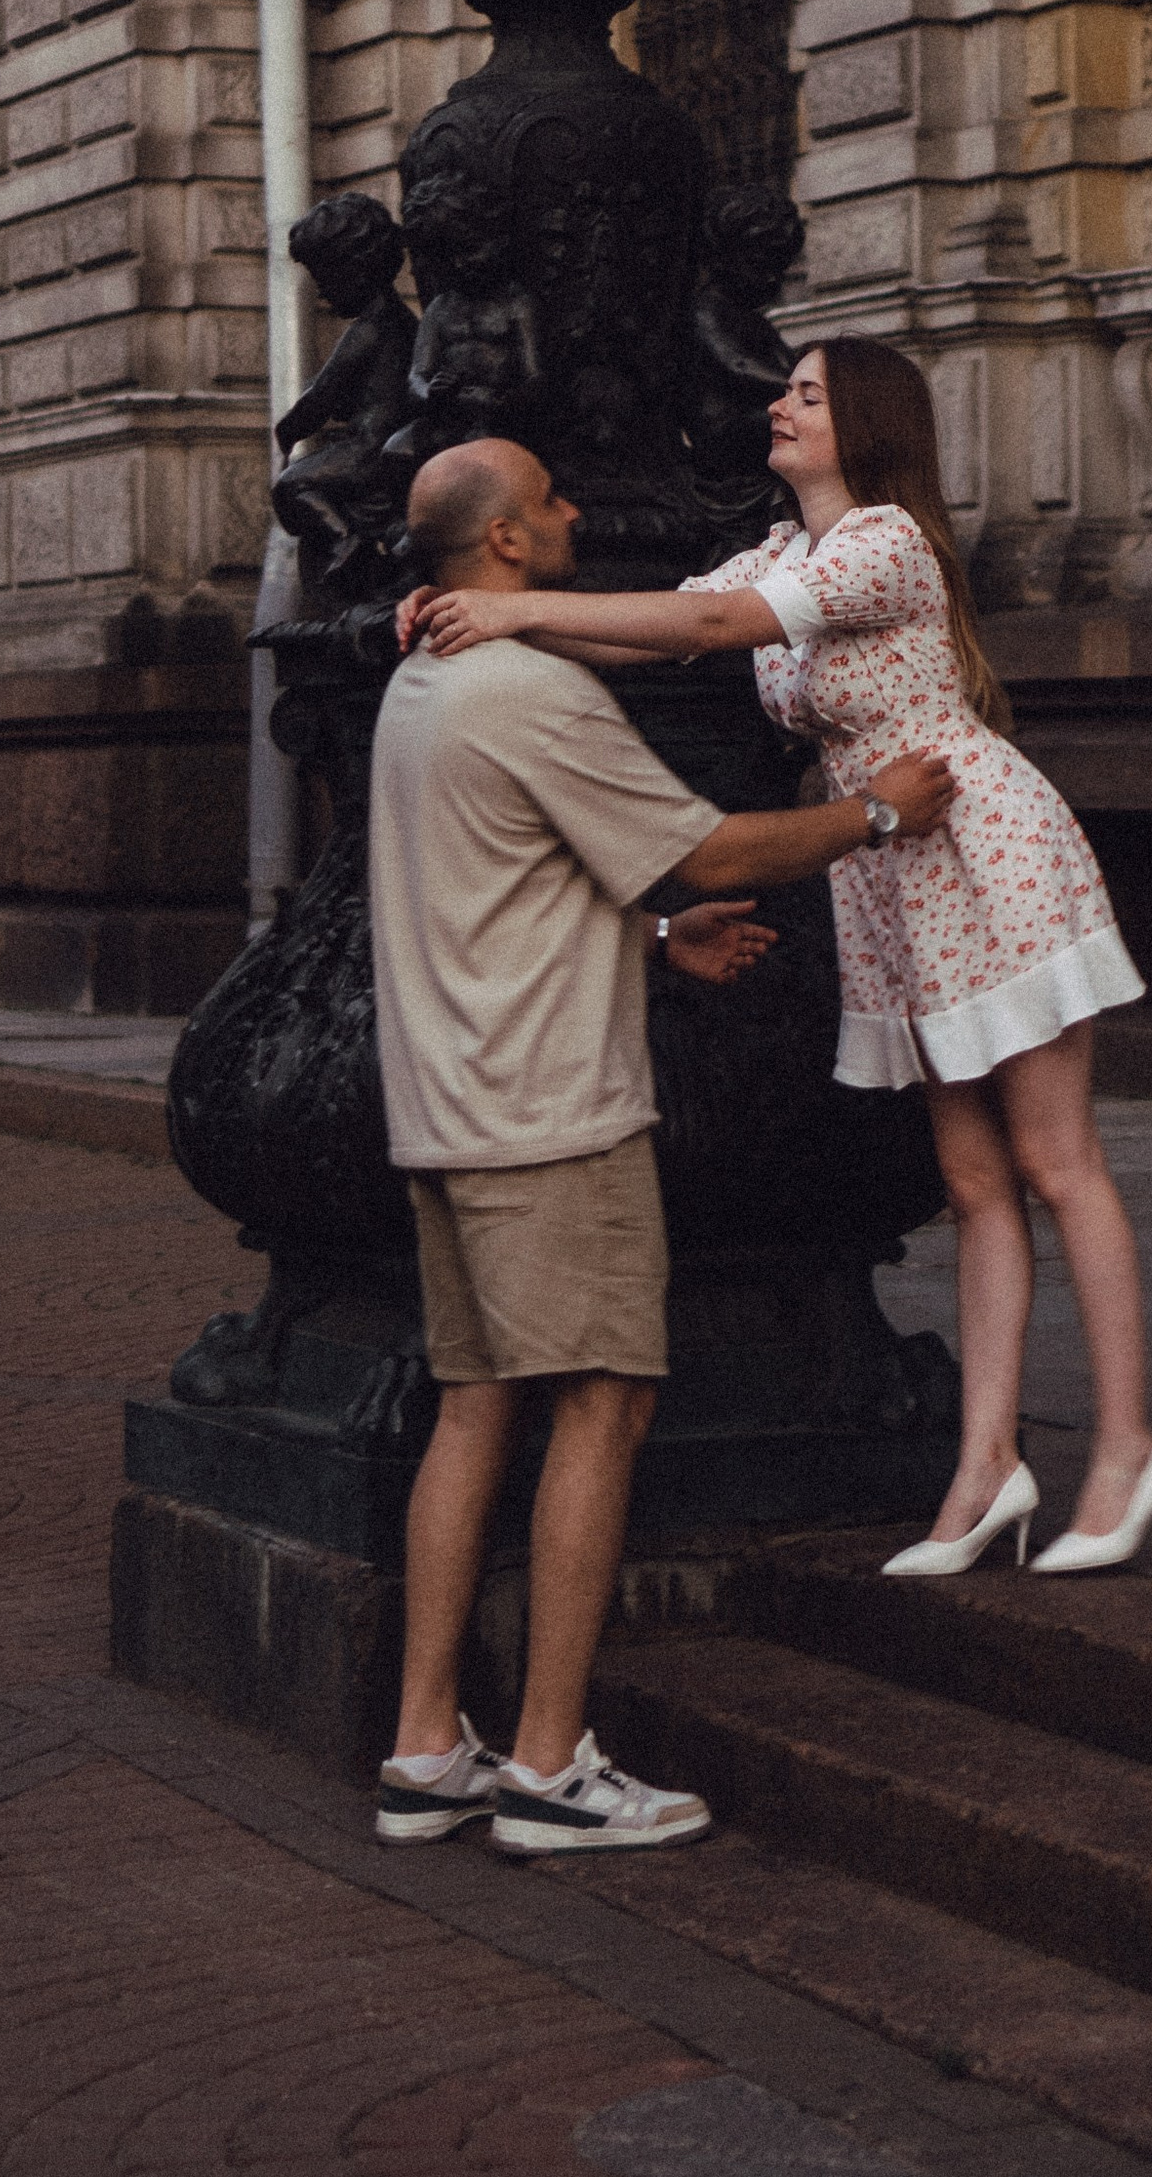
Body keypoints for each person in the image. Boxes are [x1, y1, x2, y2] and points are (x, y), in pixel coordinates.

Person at [407, 342, 1152, 1581]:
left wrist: (520, 605)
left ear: (863, 426)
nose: (779, 404)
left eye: (807, 396)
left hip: (977, 843)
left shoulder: (882, 541)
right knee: (971, 1181)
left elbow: (712, 622)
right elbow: (667, 637)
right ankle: (986, 1467)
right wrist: (484, 625)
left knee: (1055, 1160)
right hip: (893, 867)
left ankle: (1129, 1449)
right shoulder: (788, 551)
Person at [369, 434, 956, 1856]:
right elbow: (716, 849)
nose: (576, 509)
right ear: (506, 543)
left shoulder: (418, 683)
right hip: (550, 1112)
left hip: (444, 1104)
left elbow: (492, 871)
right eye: (555, 500)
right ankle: (552, 1768)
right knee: (606, 1404)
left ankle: (426, 1746)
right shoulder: (530, 687)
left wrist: (640, 937)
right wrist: (881, 813)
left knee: (472, 1406)